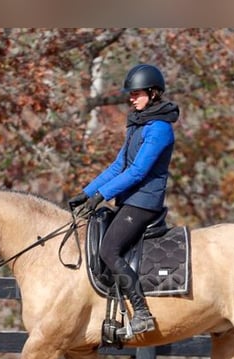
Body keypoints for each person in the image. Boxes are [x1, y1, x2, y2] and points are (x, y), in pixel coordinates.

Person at [69, 63, 180, 337]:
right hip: (128, 200)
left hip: (144, 203)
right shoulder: (138, 123)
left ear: (153, 93)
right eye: (130, 94)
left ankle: (141, 312)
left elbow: (138, 171)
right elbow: (119, 165)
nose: (131, 98)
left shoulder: (159, 128)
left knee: (109, 251)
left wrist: (102, 195)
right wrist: (87, 191)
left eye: (136, 93)